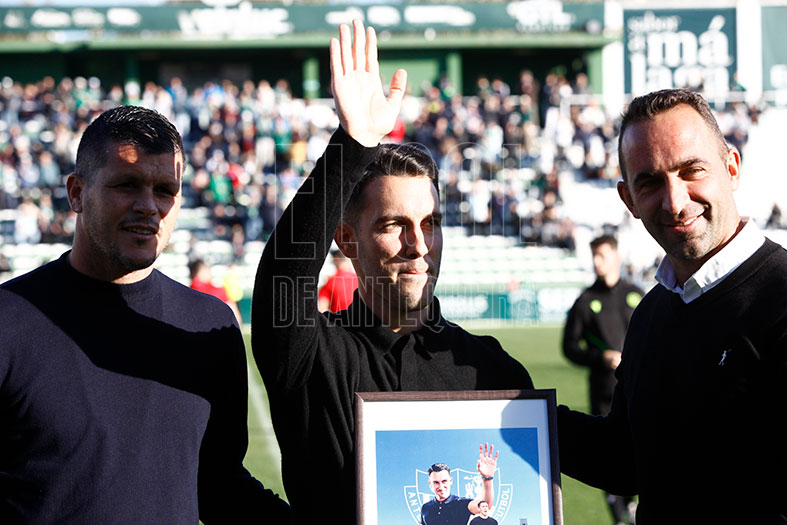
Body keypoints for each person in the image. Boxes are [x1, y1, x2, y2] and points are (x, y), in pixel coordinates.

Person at [252, 20, 533, 524]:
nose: (418, 244)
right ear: (346, 240)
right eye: (393, 225)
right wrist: (353, 143)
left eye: (430, 223)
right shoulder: (313, 356)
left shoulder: (490, 369)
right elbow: (282, 281)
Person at [0, 105, 290, 522]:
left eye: (165, 190)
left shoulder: (209, 325)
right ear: (76, 193)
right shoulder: (10, 320)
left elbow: (218, 486)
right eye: (127, 184)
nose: (149, 206)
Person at [558, 88, 787, 523]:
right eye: (649, 182)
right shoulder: (650, 313)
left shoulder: (781, 297)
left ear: (731, 168)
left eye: (691, 170)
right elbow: (625, 461)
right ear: (629, 200)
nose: (675, 202)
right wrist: (516, 407)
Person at [561, 234, 642, 524]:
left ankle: (633, 508)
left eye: (602, 256)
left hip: (640, 391)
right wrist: (601, 358)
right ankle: (619, 518)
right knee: (611, 458)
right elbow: (570, 347)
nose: (597, 262)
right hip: (604, 392)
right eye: (594, 256)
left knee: (643, 453)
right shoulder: (585, 301)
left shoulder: (637, 294)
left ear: (616, 257)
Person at [420, 445, 497, 525]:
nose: (441, 486)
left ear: (451, 481)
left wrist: (487, 478)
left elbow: (485, 504)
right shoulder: (425, 508)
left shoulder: (461, 504)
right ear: (430, 483)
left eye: (444, 481)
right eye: (436, 482)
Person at [189, 257, 242, 323]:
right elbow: (235, 316)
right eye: (207, 269)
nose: (209, 272)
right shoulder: (216, 290)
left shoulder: (186, 292)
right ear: (202, 271)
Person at [317, 248, 357, 312]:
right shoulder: (359, 280)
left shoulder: (331, 281)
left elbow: (322, 308)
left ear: (336, 259)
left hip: (339, 317)